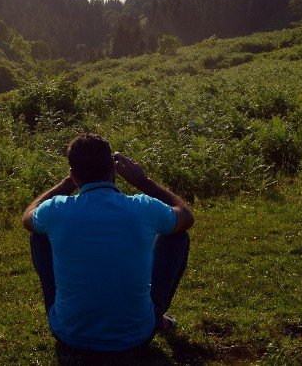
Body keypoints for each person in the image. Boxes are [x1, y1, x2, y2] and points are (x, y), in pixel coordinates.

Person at [22, 133, 195, 352]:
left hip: (68, 334)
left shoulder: (56, 210)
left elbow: (28, 215)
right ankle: (154, 315)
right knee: (178, 235)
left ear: (75, 176)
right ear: (113, 171)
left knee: (39, 233)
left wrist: (66, 184)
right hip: (136, 335)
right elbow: (186, 216)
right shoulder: (143, 207)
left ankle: (70, 314)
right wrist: (143, 181)